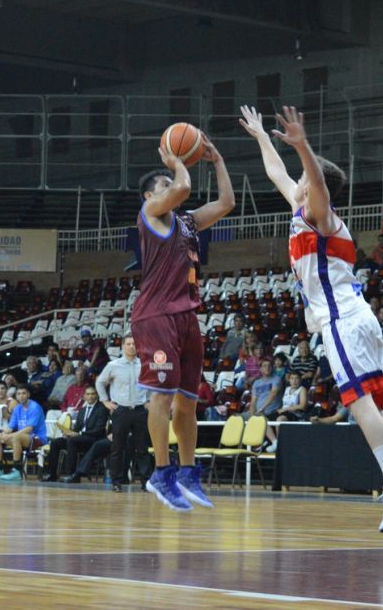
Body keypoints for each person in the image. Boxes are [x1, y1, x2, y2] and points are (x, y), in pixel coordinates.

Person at [240, 104, 383, 546]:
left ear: (312, 185)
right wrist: (262, 137)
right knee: (374, 412)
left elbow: (317, 183)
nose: (297, 183)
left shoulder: (323, 217)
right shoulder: (301, 208)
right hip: (355, 321)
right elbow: (276, 173)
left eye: (303, 179)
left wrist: (302, 145)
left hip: (343, 320)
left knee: (359, 406)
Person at [130, 128, 234, 512]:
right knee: (161, 397)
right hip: (156, 315)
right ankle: (161, 473)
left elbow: (226, 202)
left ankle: (188, 473)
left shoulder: (186, 222)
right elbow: (184, 188)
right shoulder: (150, 214)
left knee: (187, 402)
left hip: (187, 316)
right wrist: (176, 161)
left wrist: (217, 160)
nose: (170, 184)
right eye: (163, 184)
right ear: (150, 197)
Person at [96, 334, 149, 492]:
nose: (132, 346)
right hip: (121, 410)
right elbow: (100, 382)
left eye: (134, 344)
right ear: (122, 346)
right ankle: (116, 481)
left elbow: (152, 384)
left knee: (142, 448)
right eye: (128, 344)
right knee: (117, 447)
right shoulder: (113, 365)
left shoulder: (144, 364)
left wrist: (150, 400)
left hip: (140, 410)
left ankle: (146, 482)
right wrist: (105, 401)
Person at [0, 385, 46, 481]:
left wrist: (10, 435)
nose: (21, 396)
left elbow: (29, 429)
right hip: (21, 438)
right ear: (16, 396)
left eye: (24, 393)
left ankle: (17, 471)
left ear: (28, 394)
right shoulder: (17, 408)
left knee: (16, 437)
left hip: (37, 438)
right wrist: (4, 434)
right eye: (19, 394)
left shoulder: (35, 407)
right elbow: (10, 427)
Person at [57, 386, 109, 483]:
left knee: (72, 441)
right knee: (56, 442)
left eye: (93, 394)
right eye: (88, 394)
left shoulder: (102, 409)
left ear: (97, 395)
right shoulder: (82, 410)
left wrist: (79, 433)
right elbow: (77, 428)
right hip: (80, 438)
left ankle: (71, 474)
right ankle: (52, 474)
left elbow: (98, 430)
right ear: (84, 396)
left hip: (94, 438)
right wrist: (68, 432)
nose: (90, 396)